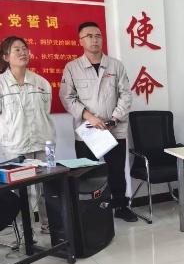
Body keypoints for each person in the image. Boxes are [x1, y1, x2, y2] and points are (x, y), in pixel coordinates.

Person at [59, 22, 137, 222]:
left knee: (116, 171)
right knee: (87, 173)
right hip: (87, 131)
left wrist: (114, 119)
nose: (94, 40)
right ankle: (89, 212)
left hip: (114, 129)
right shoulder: (72, 68)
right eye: (89, 36)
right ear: (81, 41)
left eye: (98, 36)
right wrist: (90, 117)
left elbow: (126, 95)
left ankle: (120, 206)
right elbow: (67, 98)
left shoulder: (115, 65)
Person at [1, 36, 55, 234]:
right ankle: (25, 231)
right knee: (19, 191)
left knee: (47, 188)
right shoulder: (1, 84)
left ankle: (49, 225)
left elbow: (46, 112)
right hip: (16, 147)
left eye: (24, 48)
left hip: (43, 143)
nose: (23, 52)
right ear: (6, 57)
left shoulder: (41, 83)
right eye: (16, 50)